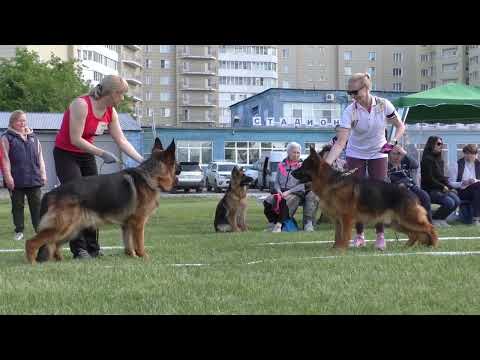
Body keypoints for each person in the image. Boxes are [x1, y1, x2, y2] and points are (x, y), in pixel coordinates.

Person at [38, 75, 144, 261]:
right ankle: (79, 250)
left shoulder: (111, 112)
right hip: (66, 153)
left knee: (94, 200)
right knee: (75, 201)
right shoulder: (81, 105)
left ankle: (93, 247)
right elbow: (75, 139)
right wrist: (102, 153)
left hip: (86, 154)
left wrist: (141, 160)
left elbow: (121, 140)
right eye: (122, 94)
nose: (123, 98)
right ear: (112, 93)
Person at [324, 72, 406, 250]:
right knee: (356, 195)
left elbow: (400, 126)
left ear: (367, 88)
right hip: (356, 153)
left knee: (379, 194)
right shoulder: (350, 111)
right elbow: (340, 143)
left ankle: (380, 235)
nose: (353, 96)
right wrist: (326, 164)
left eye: (355, 92)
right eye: (350, 93)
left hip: (379, 153)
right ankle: (359, 235)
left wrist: (392, 143)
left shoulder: (384, 105)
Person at [0, 110, 47, 241]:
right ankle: (19, 230)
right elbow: (4, 159)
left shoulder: (33, 137)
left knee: (37, 205)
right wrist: (8, 177)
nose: (22, 123)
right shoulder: (6, 137)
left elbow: (40, 157)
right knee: (17, 206)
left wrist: (43, 173)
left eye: (24, 120)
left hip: (34, 178)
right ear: (12, 122)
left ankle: (39, 229)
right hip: (16, 180)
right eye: (19, 120)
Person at [263, 142, 319, 232]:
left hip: (296, 192)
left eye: (298, 153)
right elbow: (276, 181)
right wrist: (278, 191)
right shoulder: (281, 165)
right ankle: (273, 223)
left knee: (286, 201)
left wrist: (288, 192)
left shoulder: (302, 166)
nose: (296, 155)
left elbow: (302, 184)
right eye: (294, 152)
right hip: (281, 191)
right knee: (268, 201)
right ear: (288, 152)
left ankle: (305, 224)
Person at [421, 136, 460, 227]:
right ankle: (435, 219)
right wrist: (442, 187)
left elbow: (441, 177)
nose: (440, 146)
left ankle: (440, 218)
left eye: (441, 144)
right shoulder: (426, 159)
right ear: (431, 145)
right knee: (449, 202)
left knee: (457, 200)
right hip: (430, 190)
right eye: (438, 144)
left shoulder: (440, 160)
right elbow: (429, 179)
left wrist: (450, 187)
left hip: (440, 188)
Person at [388, 145, 432, 222]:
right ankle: (413, 222)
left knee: (425, 196)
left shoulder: (404, 160)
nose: (397, 156)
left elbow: (415, 165)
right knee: (412, 199)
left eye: (399, 153)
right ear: (389, 154)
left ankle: (428, 222)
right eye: (394, 153)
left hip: (410, 185)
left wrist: (404, 153)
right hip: (396, 188)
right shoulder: (386, 164)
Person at [448, 144, 480, 226]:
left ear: (476, 154)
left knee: (477, 189)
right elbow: (450, 183)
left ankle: (475, 218)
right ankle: (476, 219)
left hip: (476, 191)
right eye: (468, 154)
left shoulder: (479, 165)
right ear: (464, 154)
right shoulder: (456, 165)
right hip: (462, 192)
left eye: (473, 154)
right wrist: (462, 183)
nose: (470, 156)